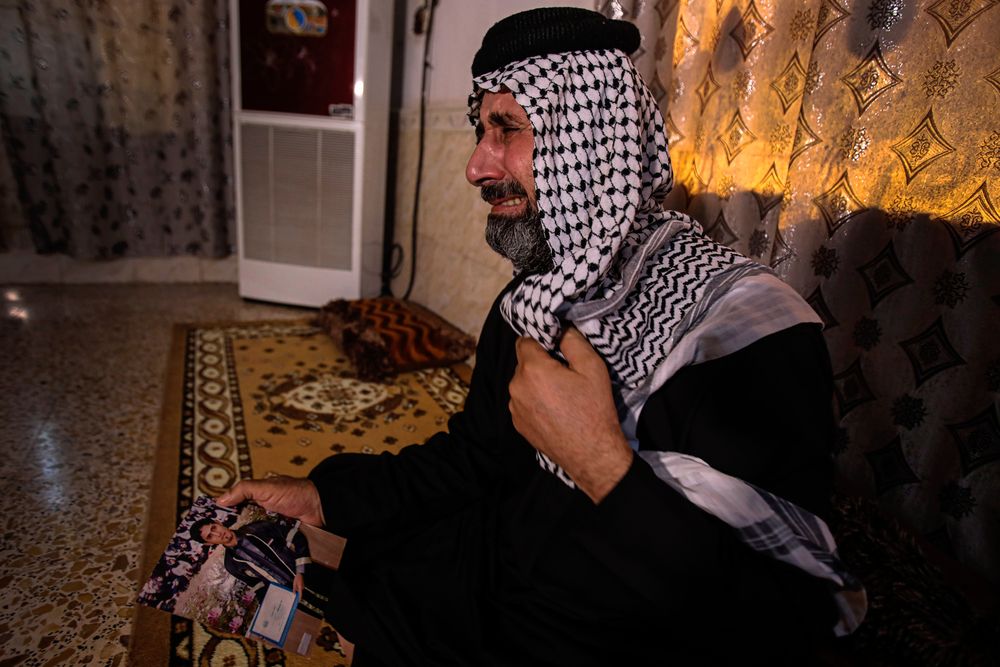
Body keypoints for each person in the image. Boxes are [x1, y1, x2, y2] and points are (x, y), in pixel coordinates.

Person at [219, 8, 865, 665]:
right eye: (481, 130)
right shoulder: (531, 302)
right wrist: (322, 494)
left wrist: (603, 467)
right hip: (502, 573)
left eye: (508, 129)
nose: (476, 166)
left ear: (590, 140)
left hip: (603, 638)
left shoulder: (746, 332)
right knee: (362, 570)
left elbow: (789, 619)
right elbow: (475, 457)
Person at [190, 518, 308, 600]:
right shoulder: (231, 565)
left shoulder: (257, 528)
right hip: (293, 596)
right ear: (207, 543)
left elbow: (296, 536)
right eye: (210, 536)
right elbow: (259, 587)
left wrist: (300, 572)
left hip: (309, 573)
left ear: (218, 522)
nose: (217, 534)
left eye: (214, 528)